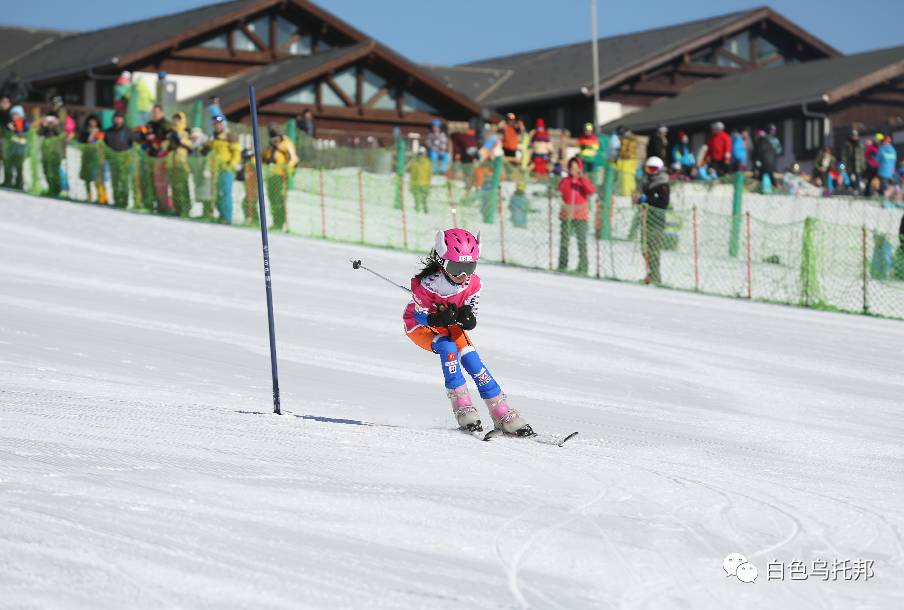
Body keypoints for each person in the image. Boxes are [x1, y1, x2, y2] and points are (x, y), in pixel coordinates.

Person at [402, 228, 533, 436]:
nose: (462, 275)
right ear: (441, 262)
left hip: (449, 325)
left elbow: (471, 312)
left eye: (469, 267)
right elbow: (419, 316)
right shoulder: (426, 285)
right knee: (447, 347)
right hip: (421, 327)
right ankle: (463, 407)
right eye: (455, 267)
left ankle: (501, 411)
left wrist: (467, 318)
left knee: (472, 359)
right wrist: (436, 318)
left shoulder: (473, 284)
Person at [557, 156, 595, 274]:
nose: (573, 170)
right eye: (571, 168)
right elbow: (560, 190)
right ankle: (562, 265)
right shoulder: (565, 181)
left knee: (581, 242)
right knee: (564, 242)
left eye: (576, 167)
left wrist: (581, 178)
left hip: (580, 217)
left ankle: (583, 267)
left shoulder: (583, 181)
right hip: (566, 216)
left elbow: (591, 190)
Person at [638, 156, 670, 285]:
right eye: (648, 169)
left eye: (653, 169)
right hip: (646, 220)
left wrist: (648, 199)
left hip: (656, 222)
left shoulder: (662, 184)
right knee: (645, 248)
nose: (650, 172)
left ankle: (656, 276)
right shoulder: (647, 183)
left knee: (654, 250)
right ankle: (650, 273)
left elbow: (663, 203)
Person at [261, 122, 297, 229]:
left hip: (281, 176)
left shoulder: (285, 143)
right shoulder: (270, 146)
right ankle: (276, 221)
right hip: (271, 176)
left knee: (279, 199)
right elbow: (263, 157)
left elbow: (293, 159)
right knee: (272, 199)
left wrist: (287, 170)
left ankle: (280, 222)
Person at [206, 115, 241, 224]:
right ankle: (221, 215)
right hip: (215, 169)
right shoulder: (213, 138)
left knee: (225, 192)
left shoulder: (229, 136)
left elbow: (236, 152)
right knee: (216, 193)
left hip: (226, 168)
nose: (218, 126)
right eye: (215, 124)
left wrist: (232, 164)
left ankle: (227, 217)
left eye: (220, 124)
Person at [104, 112, 133, 208]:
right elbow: (104, 144)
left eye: (120, 118)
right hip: (113, 159)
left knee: (124, 180)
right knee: (115, 180)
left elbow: (133, 142)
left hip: (125, 159)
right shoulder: (108, 131)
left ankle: (124, 201)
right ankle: (116, 199)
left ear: (123, 119)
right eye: (116, 118)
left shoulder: (128, 131)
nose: (118, 120)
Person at [77, 115, 108, 204]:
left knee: (98, 178)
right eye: (91, 121)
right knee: (87, 177)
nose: (92, 123)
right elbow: (82, 141)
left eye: (94, 121)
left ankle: (102, 197)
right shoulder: (85, 132)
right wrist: (90, 135)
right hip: (87, 156)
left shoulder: (101, 132)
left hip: (98, 158)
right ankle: (89, 196)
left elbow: (103, 143)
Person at [168, 112, 192, 216]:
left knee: (182, 187)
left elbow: (190, 144)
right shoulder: (170, 133)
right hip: (172, 163)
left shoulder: (185, 132)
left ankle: (185, 208)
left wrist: (180, 140)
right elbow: (166, 146)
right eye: (174, 119)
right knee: (174, 187)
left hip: (182, 164)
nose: (176, 121)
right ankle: (177, 208)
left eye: (178, 119)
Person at [4, 105, 27, 189]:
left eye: (16, 114)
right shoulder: (11, 123)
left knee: (19, 167)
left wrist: (15, 132)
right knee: (8, 165)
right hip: (11, 149)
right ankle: (8, 181)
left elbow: (23, 136)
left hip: (20, 150)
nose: (14, 116)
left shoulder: (23, 123)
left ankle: (19, 183)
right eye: (13, 114)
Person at [408, 148, 432, 213]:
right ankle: (426, 210)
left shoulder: (415, 162)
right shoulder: (428, 162)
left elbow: (412, 175)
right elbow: (429, 174)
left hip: (416, 183)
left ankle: (417, 210)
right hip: (426, 184)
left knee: (417, 199)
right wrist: (429, 183)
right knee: (425, 199)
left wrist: (410, 185)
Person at [0, 95, 11, 186]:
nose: (4, 104)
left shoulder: (11, 114)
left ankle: (8, 181)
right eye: (2, 102)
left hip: (7, 140)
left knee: (6, 160)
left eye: (6, 103)